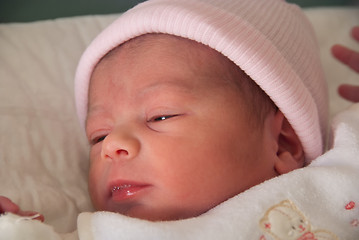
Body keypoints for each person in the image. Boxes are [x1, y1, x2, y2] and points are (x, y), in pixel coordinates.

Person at [0, 0, 358, 239]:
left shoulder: (339, 178)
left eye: (160, 115)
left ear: (283, 143)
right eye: (98, 136)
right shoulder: (104, 231)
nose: (112, 146)